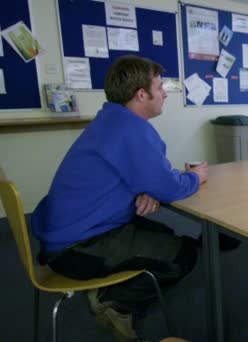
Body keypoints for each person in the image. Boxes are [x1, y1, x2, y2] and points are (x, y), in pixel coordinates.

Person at [31, 56, 207, 341]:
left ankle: (114, 294)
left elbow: (145, 176)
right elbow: (172, 188)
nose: (164, 94)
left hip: (66, 234)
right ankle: (113, 301)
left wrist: (146, 188)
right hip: (77, 249)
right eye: (160, 87)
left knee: (163, 233)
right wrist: (197, 176)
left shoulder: (111, 119)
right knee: (183, 255)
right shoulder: (130, 130)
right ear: (141, 94)